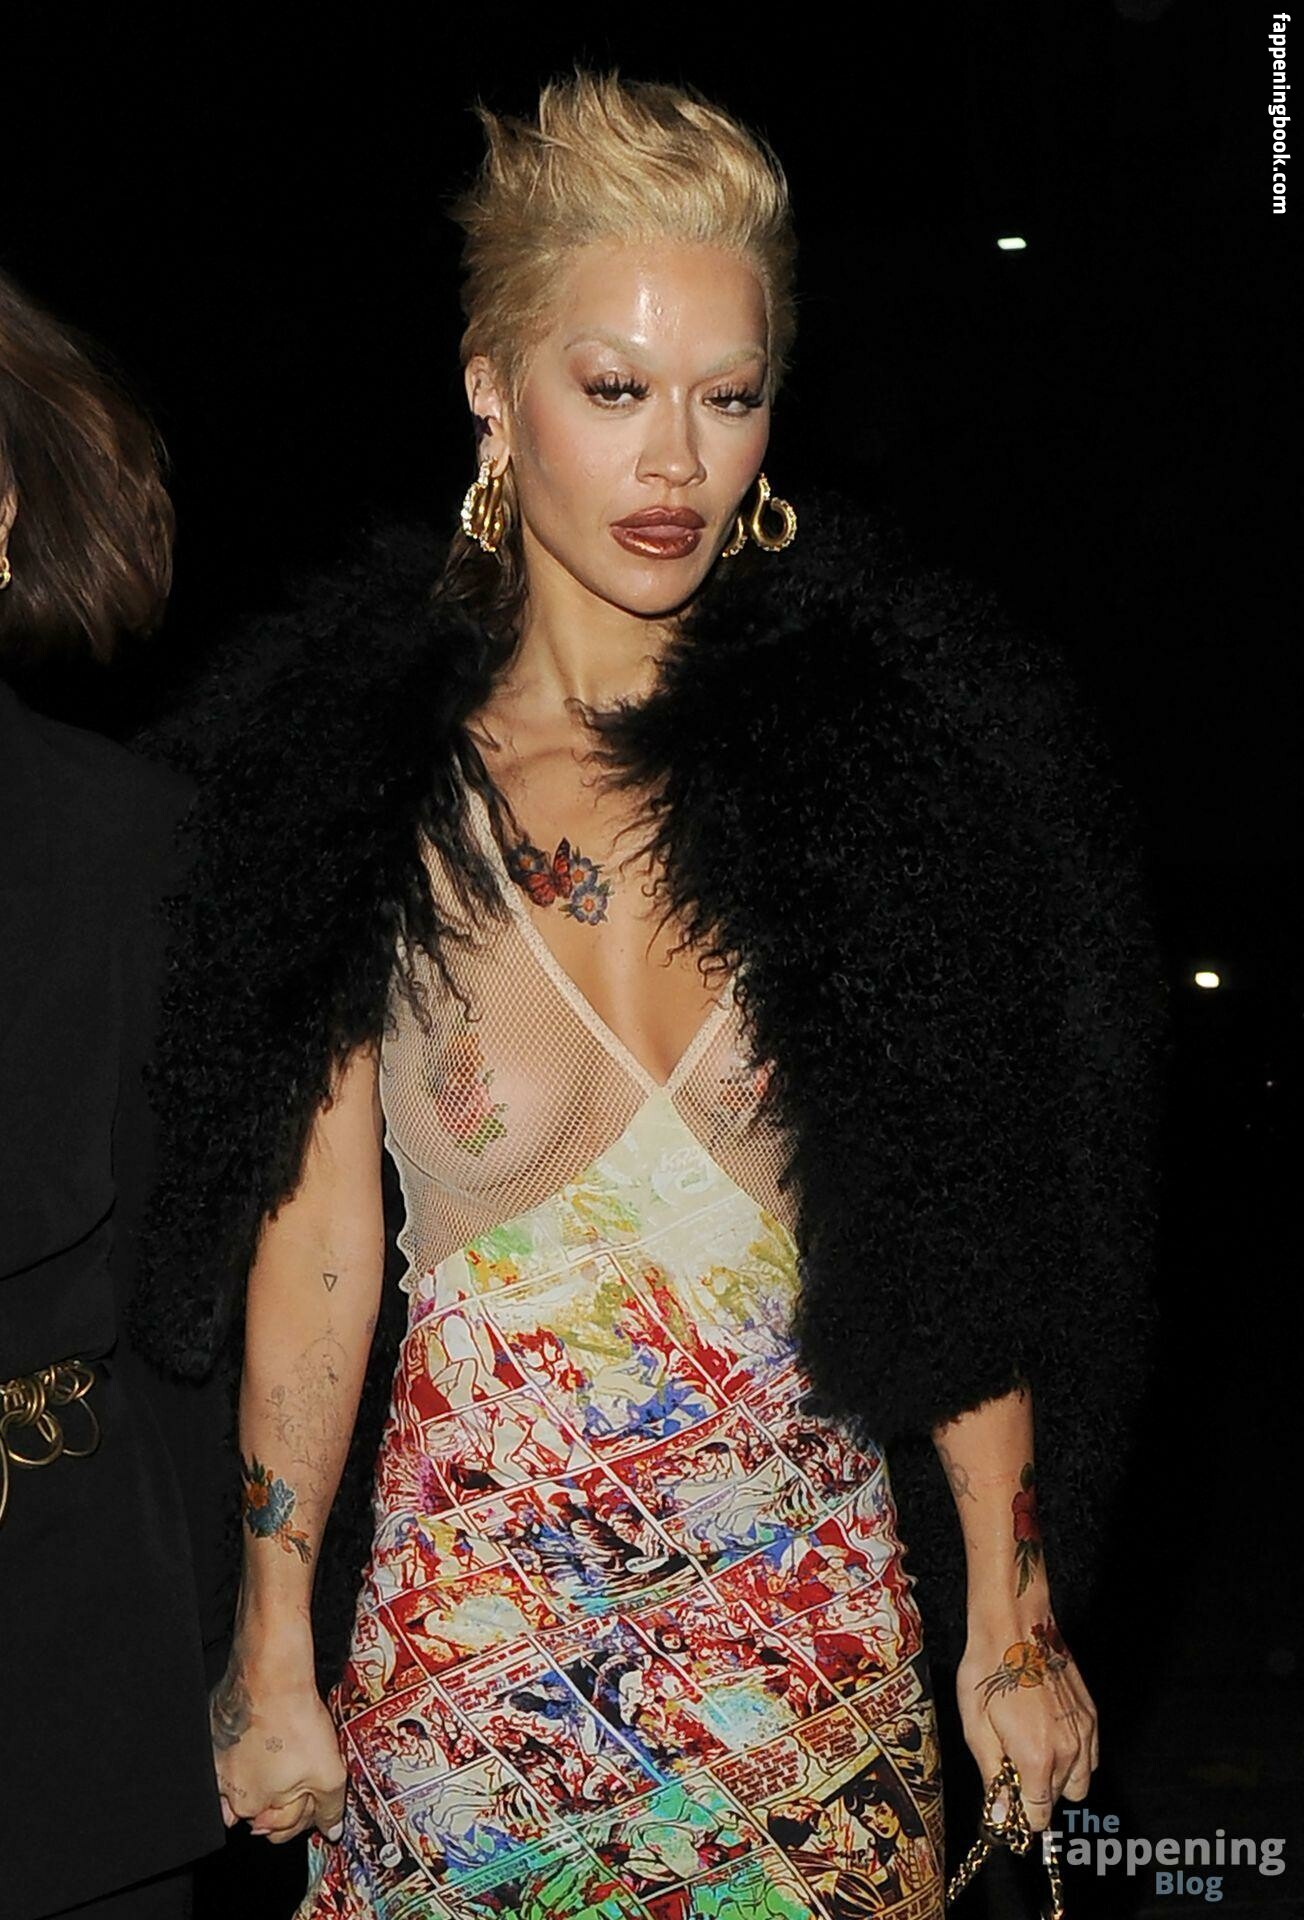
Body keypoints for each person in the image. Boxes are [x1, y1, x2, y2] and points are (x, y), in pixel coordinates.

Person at [129, 71, 1167, 1919]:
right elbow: (317, 1254)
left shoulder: (875, 780)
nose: (677, 462)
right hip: (471, 1698)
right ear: (491, 389)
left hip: (807, 1696)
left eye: (728, 395)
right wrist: (270, 1641)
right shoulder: (361, 788)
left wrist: (1012, 1621)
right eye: (614, 390)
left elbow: (956, 1218)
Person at [0, 270, 227, 1917]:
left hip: (68, 1666)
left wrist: (231, 1660)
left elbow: (192, 1304)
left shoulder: (136, 843)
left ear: (6, 510)